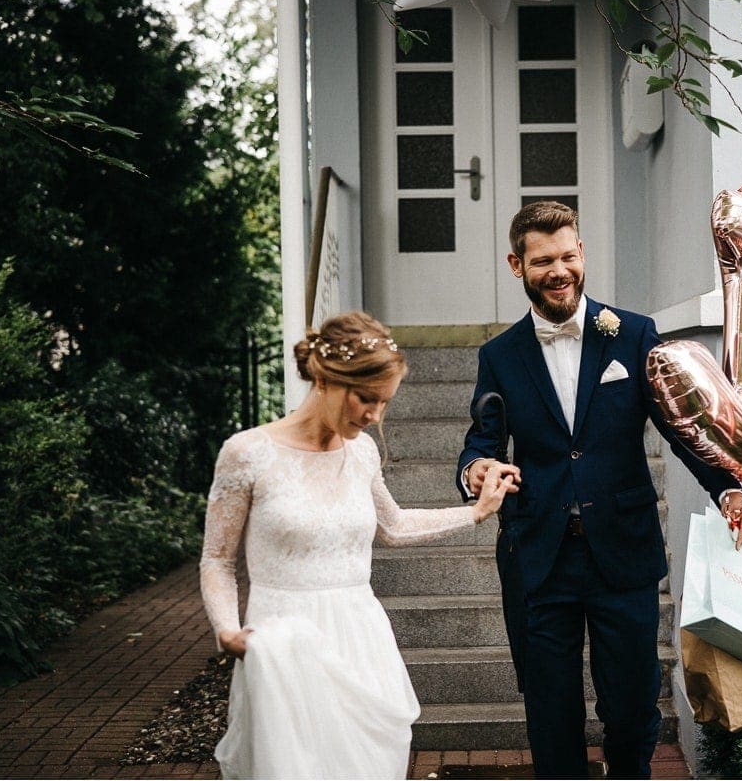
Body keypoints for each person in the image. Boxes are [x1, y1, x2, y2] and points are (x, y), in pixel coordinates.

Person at [456, 201, 742, 779]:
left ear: (582, 253)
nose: (558, 271)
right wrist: (475, 468)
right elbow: (483, 437)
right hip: (539, 556)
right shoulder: (499, 355)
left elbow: (680, 429)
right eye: (542, 261)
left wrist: (728, 490)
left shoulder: (634, 334)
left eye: (567, 256)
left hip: (622, 550)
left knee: (631, 706)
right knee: (550, 709)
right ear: (517, 265)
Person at [200, 311, 518, 780]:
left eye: (384, 402)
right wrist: (227, 630)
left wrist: (476, 512)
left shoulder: (362, 452)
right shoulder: (247, 453)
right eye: (366, 399)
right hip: (284, 640)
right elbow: (217, 560)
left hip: (359, 637)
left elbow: (394, 526)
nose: (374, 416)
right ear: (325, 380)